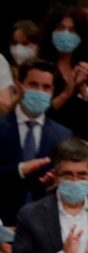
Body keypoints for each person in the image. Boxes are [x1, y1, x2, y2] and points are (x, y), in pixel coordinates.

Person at [0, 60, 71, 226]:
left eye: (46, 87)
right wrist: (19, 170)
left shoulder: (63, 135)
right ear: (19, 86)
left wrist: (54, 183)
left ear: (53, 91)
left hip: (44, 224)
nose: (40, 92)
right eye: (33, 85)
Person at [37, 8, 88, 142]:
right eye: (61, 28)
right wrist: (65, 95)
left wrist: (83, 88)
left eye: (72, 30)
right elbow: (37, 113)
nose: (65, 34)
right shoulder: (39, 67)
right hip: (47, 138)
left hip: (81, 142)